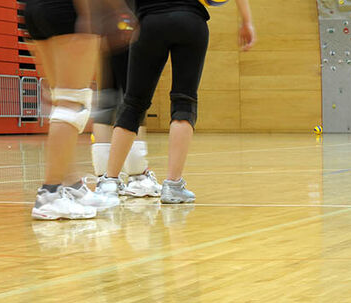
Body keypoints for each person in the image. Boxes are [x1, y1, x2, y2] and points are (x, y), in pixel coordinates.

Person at [98, 0, 256, 204]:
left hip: (150, 22)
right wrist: (246, 21)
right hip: (191, 21)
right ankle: (173, 186)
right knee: (184, 101)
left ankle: (109, 182)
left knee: (133, 103)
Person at [25, 0, 121, 220]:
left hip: (35, 9)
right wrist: (93, 15)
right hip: (70, 10)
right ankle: (50, 194)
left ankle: (72, 185)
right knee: (73, 102)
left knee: (62, 100)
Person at [90, 2, 162, 199]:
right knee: (135, 100)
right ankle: (138, 177)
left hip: (106, 27)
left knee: (107, 98)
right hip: (127, 23)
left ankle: (104, 178)